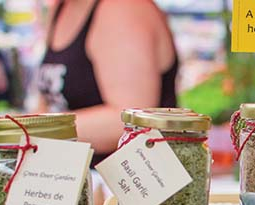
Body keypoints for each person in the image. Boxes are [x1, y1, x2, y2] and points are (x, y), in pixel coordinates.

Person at [35, 0, 178, 162]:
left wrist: (31, 130)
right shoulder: (61, 8)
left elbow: (129, 121)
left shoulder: (123, 9)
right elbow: (47, 103)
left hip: (128, 179)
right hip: (71, 176)